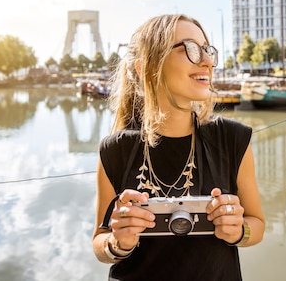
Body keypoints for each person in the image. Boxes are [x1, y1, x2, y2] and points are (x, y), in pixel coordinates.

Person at [92, 14, 265, 280]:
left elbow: (258, 225)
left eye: (207, 50)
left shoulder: (233, 139)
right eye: (192, 50)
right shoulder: (115, 149)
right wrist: (118, 242)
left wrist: (240, 230)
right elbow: (100, 243)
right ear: (146, 67)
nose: (207, 62)